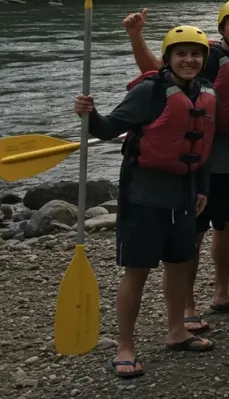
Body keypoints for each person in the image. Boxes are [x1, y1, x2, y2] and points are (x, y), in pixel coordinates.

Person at [74, 26, 217, 379]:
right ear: (168, 58)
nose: (189, 60)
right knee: (137, 271)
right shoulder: (149, 92)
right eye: (181, 53)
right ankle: (125, 346)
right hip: (144, 195)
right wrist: (88, 113)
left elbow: (202, 147)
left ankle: (176, 331)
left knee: (180, 264)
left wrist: (202, 188)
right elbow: (107, 129)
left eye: (196, 54)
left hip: (184, 194)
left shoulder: (207, 92)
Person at [122, 0, 229, 332]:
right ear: (222, 27)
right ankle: (187, 306)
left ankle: (222, 293)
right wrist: (136, 36)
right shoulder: (205, 55)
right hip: (196, 162)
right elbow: (156, 75)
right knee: (192, 237)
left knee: (225, 227)